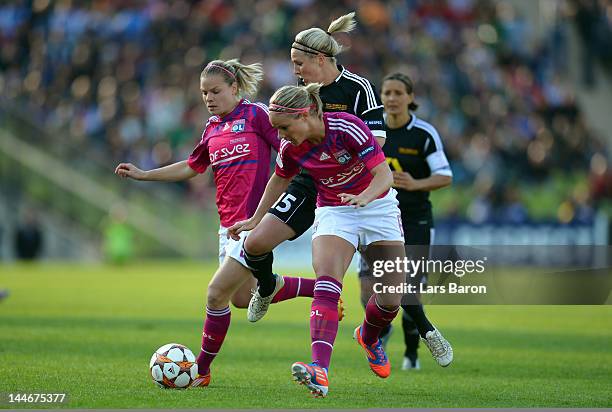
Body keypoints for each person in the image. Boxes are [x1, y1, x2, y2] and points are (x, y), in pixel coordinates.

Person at [115, 59, 317, 388]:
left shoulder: (256, 116)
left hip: (255, 223)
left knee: (214, 295)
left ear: (235, 89)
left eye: (215, 91)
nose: (209, 97)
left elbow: (290, 150)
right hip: (227, 227)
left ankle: (201, 371)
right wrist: (145, 174)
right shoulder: (212, 127)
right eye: (203, 92)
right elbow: (193, 167)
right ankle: (319, 289)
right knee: (241, 298)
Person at [230, 83, 405, 398]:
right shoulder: (291, 148)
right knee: (327, 283)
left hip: (376, 206)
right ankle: (319, 370)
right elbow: (279, 179)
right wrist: (256, 219)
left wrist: (364, 197)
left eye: (284, 128)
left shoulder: (347, 127)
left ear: (305, 113)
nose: (281, 136)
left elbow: (384, 175)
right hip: (335, 211)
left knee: (392, 298)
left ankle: (368, 335)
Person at [239, 11, 387, 323]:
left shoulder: (357, 88)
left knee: (388, 287)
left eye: (298, 63)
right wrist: (255, 217)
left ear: (320, 58)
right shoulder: (299, 92)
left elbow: (377, 142)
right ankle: (269, 286)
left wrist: (338, 162)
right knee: (255, 245)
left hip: (353, 188)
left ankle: (406, 333)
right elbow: (284, 163)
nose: (295, 71)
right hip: (309, 184)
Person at [360, 72, 454, 370]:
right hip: (377, 217)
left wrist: (415, 183)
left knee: (407, 288)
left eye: (398, 93)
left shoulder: (423, 134)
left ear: (410, 98)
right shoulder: (371, 130)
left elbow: (445, 175)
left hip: (414, 220)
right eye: (386, 93)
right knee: (367, 290)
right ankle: (381, 331)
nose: (391, 98)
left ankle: (412, 353)